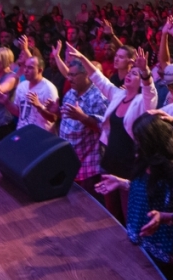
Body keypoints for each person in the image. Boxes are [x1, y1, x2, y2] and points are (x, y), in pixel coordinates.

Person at [95, 112, 173, 280]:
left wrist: (165, 218)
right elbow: (148, 190)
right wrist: (121, 182)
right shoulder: (145, 160)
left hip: (166, 248)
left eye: (140, 140)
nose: (137, 144)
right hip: (143, 239)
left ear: (153, 140)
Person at [66, 46, 157, 224]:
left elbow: (150, 90)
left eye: (135, 74)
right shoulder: (118, 94)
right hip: (109, 162)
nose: (130, 75)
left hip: (129, 166)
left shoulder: (144, 102)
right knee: (111, 216)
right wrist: (83, 58)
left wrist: (145, 72)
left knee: (128, 215)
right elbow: (99, 80)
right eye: (130, 72)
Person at [55, 56, 109, 198]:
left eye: (73, 75)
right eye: (68, 75)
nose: (69, 79)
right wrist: (55, 110)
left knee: (87, 207)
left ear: (86, 75)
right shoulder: (71, 93)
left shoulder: (99, 97)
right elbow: (67, 121)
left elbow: (104, 128)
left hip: (88, 167)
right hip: (70, 163)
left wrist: (82, 117)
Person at [8, 54, 59, 132]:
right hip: (22, 131)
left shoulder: (49, 88)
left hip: (39, 135)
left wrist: (39, 106)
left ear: (40, 70)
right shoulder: (22, 85)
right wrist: (5, 102)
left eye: (30, 67)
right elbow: (18, 112)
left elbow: (53, 118)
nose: (26, 70)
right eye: (25, 67)